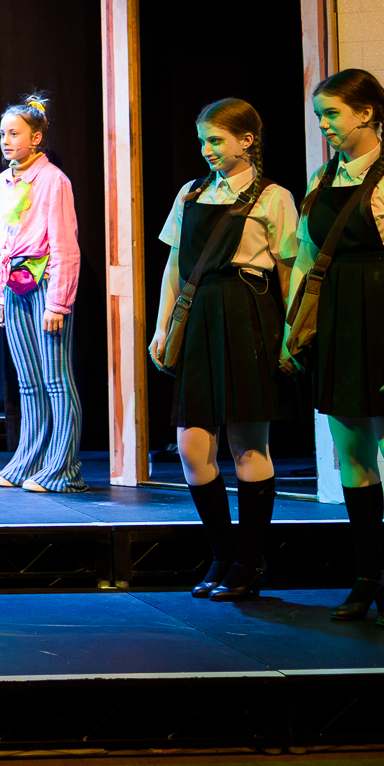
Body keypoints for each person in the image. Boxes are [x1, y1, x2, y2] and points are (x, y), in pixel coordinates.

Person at [282, 69, 384, 628]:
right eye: (319, 115)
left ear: (367, 113)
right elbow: (307, 260)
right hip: (337, 319)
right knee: (350, 456)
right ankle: (368, 576)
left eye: (332, 113)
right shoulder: (321, 178)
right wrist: (292, 328)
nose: (323, 124)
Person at [148, 99, 299, 601]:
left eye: (216, 140)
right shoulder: (191, 192)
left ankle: (248, 562)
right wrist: (163, 327)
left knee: (248, 444)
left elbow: (289, 272)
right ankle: (223, 553)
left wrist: (290, 335)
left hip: (246, 314)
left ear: (246, 140)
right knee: (192, 448)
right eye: (202, 141)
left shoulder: (274, 196)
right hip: (198, 318)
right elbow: (174, 266)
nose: (207, 150)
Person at [0, 93, 87, 493]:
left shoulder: (53, 180)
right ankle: (30, 459)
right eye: (3, 134)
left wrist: (58, 302)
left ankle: (64, 468)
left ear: (36, 138)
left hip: (45, 284)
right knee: (28, 381)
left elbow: (65, 245)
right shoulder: (1, 182)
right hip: (14, 283)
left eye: (15, 133)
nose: (6, 141)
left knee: (55, 378)